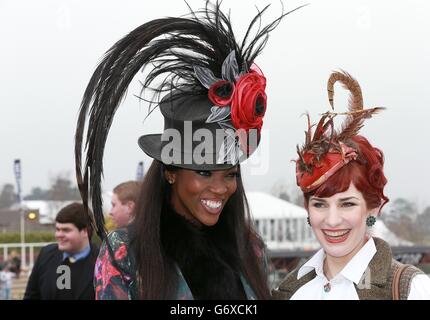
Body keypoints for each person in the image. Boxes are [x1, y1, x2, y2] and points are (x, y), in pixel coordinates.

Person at [75, 1, 302, 300]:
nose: (220, 188)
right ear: (170, 172)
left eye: (230, 174)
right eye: (205, 172)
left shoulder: (250, 247)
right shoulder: (125, 251)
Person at [272, 70, 430, 300]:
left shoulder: (411, 289)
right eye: (320, 204)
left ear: (373, 208)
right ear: (307, 209)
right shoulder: (290, 291)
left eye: (347, 204)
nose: (332, 220)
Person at [24, 202, 98, 300]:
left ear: (85, 231)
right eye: (57, 229)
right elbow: (31, 296)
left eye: (66, 230)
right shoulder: (46, 254)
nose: (59, 235)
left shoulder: (103, 261)